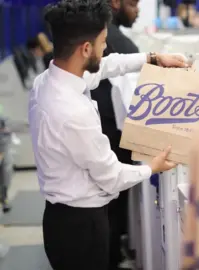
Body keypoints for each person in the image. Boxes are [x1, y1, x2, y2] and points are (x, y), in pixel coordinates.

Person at [32, 1, 185, 270]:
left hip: (60, 218)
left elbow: (105, 67)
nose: (106, 48)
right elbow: (111, 176)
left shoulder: (50, 80)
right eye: (103, 42)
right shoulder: (72, 113)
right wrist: (152, 167)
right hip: (81, 227)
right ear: (86, 48)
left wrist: (151, 58)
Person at [89, 0, 143, 269]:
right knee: (112, 202)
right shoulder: (118, 40)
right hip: (111, 133)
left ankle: (113, 254)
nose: (138, 10)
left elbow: (113, 66)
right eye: (134, 4)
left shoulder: (116, 40)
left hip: (109, 130)